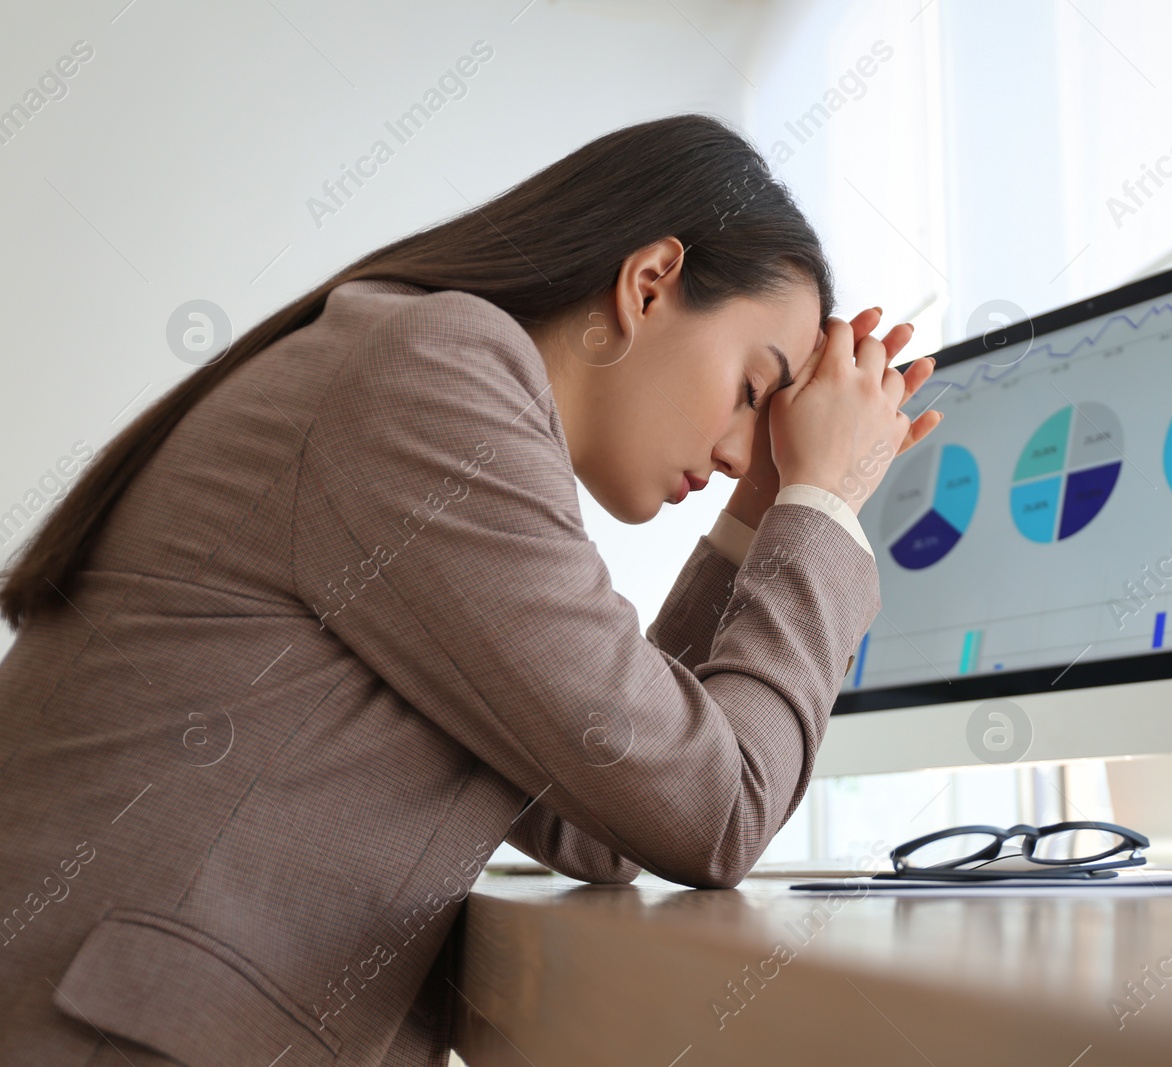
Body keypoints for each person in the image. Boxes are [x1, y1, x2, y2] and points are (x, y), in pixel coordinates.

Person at [0, 113, 942, 1066]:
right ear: (649, 284)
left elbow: (610, 819)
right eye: (752, 390)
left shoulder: (421, 371)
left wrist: (760, 517)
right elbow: (715, 811)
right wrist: (820, 507)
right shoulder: (435, 374)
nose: (746, 447)